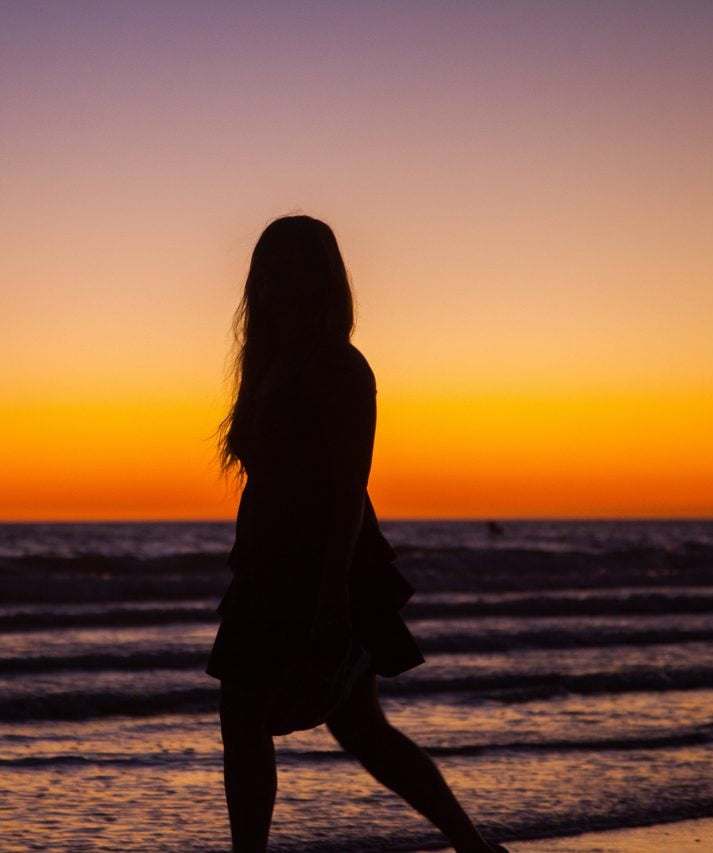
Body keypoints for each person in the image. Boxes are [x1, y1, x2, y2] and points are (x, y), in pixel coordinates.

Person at [205, 215, 506, 852]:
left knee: (257, 714)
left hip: (322, 565)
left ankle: (470, 845)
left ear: (320, 277)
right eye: (270, 265)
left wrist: (333, 593)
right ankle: (474, 848)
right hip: (266, 564)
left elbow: (348, 489)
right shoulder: (268, 364)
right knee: (343, 725)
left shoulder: (341, 367)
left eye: (294, 265)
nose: (278, 279)